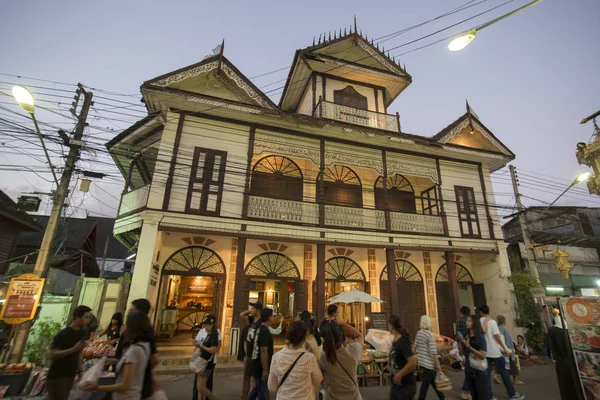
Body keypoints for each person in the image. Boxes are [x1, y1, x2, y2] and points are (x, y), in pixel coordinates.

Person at [81, 311, 152, 400]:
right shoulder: (145, 345)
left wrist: (96, 388)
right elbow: (133, 364)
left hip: (126, 396)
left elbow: (124, 386)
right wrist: (113, 361)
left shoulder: (134, 350)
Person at [114, 298, 159, 399]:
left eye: (131, 311)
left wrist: (139, 367)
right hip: (123, 383)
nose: (128, 314)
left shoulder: (146, 334)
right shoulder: (127, 332)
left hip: (135, 388)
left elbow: (155, 359)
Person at [46, 305, 92, 400]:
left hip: (71, 374)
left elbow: (79, 353)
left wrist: (80, 371)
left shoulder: (82, 333)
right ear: (77, 317)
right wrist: (73, 349)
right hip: (58, 375)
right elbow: (52, 354)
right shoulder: (63, 334)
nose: (88, 320)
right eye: (86, 317)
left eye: (89, 317)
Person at [268, 321, 323, 400]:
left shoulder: (276, 357)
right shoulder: (309, 358)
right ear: (304, 338)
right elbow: (318, 379)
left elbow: (272, 387)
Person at [479, 305, 524, 400]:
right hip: (495, 351)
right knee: (504, 373)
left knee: (486, 375)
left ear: (480, 312)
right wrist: (505, 348)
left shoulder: (479, 322)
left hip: (485, 351)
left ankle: (489, 395)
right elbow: (497, 336)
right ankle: (512, 393)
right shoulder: (492, 322)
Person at [319, 320, 363, 400]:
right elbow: (360, 335)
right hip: (354, 397)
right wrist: (343, 324)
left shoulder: (324, 358)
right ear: (341, 336)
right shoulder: (353, 352)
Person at [457, 315, 489, 400]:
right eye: (467, 321)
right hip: (469, 369)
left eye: (470, 321)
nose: (467, 323)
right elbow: (461, 353)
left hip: (479, 370)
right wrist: (460, 342)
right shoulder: (466, 337)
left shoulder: (480, 338)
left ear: (475, 323)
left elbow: (483, 355)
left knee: (483, 395)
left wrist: (469, 347)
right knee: (474, 395)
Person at [415, 315, 444, 400]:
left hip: (422, 361)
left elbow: (415, 346)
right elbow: (433, 351)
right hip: (429, 362)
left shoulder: (419, 333)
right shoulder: (429, 335)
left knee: (432, 381)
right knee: (425, 384)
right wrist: (438, 365)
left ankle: (442, 397)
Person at [248, 308, 275, 400]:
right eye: (272, 316)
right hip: (260, 366)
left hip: (257, 364)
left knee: (257, 389)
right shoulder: (264, 331)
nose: (273, 318)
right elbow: (263, 350)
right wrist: (265, 369)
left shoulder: (260, 328)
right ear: (268, 318)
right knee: (262, 391)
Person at [193, 316, 222, 400]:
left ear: (212, 324)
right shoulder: (203, 332)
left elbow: (213, 349)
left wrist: (200, 346)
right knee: (199, 387)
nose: (205, 327)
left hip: (207, 363)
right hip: (201, 361)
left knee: (202, 387)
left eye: (207, 325)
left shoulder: (214, 334)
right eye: (204, 325)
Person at [389, 315, 417, 400]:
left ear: (391, 326)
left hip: (405, 383)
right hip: (396, 383)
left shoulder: (402, 341)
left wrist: (399, 374)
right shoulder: (395, 341)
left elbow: (412, 362)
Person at [241, 302, 263, 399]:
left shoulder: (261, 322)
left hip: (256, 354)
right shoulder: (251, 320)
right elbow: (242, 315)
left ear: (258, 310)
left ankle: (254, 396)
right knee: (246, 377)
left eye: (253, 308)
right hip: (249, 355)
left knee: (255, 379)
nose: (251, 310)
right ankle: (244, 396)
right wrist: (250, 310)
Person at [494, 315, 522, 385]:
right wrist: (511, 349)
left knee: (502, 364)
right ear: (504, 321)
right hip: (507, 349)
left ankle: (496, 375)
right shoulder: (504, 329)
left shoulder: (497, 329)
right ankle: (515, 379)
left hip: (499, 350)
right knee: (512, 363)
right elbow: (508, 340)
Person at [457, 306, 471, 400]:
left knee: (469, 367)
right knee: (471, 368)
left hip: (463, 344)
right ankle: (466, 390)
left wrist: (460, 346)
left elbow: (458, 335)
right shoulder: (471, 321)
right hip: (470, 345)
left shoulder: (458, 322)